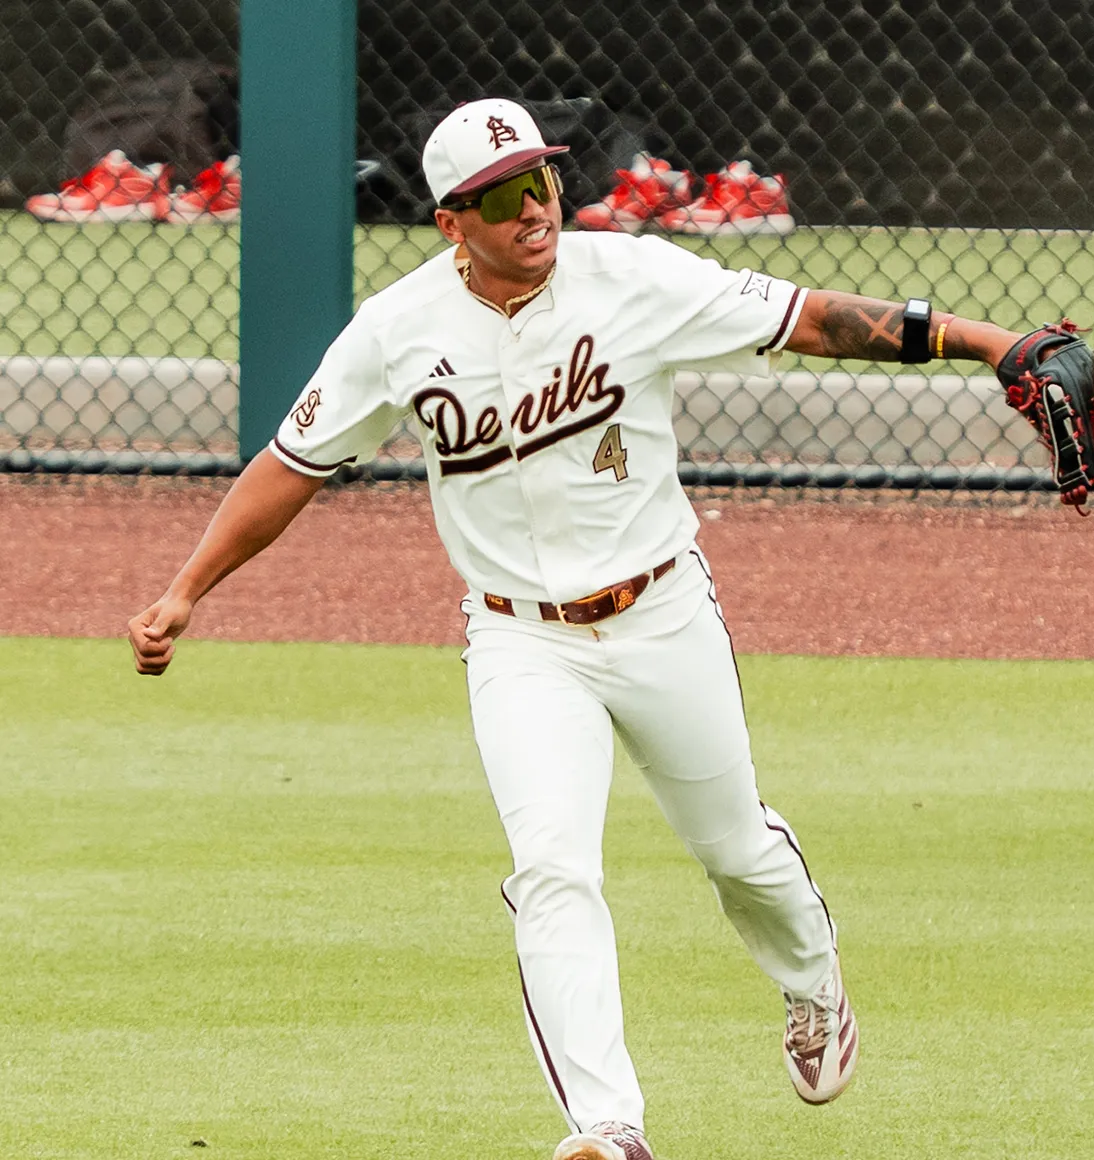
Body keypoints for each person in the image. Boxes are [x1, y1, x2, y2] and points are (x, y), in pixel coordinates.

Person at [127, 98, 1035, 1160]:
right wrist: (189, 586)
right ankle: (608, 1126)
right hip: (520, 641)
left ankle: (813, 978)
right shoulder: (398, 329)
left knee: (736, 850)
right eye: (502, 197)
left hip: (662, 611)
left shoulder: (632, 276)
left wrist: (990, 341)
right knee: (552, 865)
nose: (534, 211)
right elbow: (293, 461)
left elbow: (808, 316)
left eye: (544, 182)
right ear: (451, 223)